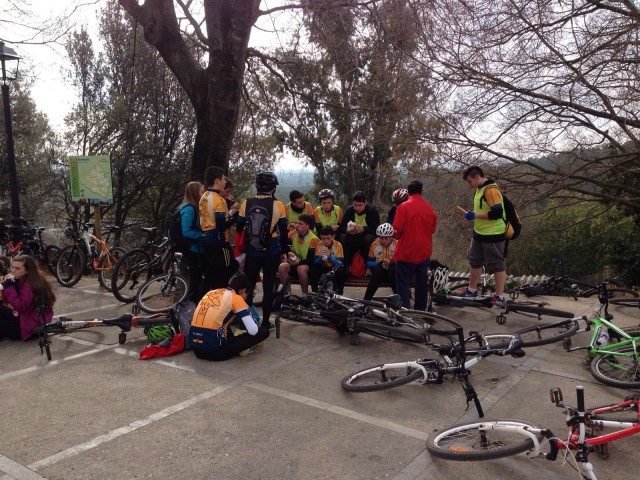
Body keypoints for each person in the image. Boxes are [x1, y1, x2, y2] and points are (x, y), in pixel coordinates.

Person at [237, 171, 288, 328]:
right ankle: (266, 323)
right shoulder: (278, 205)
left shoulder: (247, 202)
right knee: (268, 285)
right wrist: (284, 252)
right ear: (273, 188)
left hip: (253, 250)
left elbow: (239, 226)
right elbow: (284, 231)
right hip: (272, 250)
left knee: (249, 285)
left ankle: (247, 322)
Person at [189, 273, 270, 361]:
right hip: (214, 352)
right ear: (242, 290)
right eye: (247, 294)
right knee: (264, 331)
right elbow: (253, 331)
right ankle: (243, 348)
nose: (246, 298)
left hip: (196, 350)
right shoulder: (236, 298)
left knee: (224, 323)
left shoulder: (211, 292)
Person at [460, 165, 508, 302]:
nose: (469, 185)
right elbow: (482, 209)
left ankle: (499, 296)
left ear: (477, 177)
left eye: (470, 181)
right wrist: (473, 215)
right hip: (479, 232)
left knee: (497, 264)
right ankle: (471, 290)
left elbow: (497, 213)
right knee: (474, 261)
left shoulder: (491, 190)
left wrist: (475, 215)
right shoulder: (479, 189)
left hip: (493, 234)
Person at [391, 180, 437, 310]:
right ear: (421, 191)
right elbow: (432, 229)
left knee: (403, 283)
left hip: (407, 252)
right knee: (421, 283)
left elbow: (397, 230)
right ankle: (420, 310)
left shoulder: (404, 207)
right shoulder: (429, 208)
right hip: (424, 252)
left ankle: (405, 310)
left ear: (409, 192)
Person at [199, 166, 238, 291]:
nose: (225, 182)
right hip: (219, 243)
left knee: (210, 276)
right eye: (223, 179)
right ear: (217, 181)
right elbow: (221, 226)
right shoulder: (219, 200)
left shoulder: (204, 196)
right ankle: (221, 302)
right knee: (227, 270)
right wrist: (235, 218)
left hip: (205, 241)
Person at [0, 255, 56, 341]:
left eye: (17, 269)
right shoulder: (21, 279)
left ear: (27, 270)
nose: (13, 271)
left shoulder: (30, 285)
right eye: (12, 267)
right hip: (24, 318)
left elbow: (21, 307)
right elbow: (6, 300)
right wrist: (7, 284)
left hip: (28, 328)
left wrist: (8, 287)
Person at [278, 214, 319, 300]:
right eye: (297, 223)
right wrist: (286, 230)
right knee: (282, 267)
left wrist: (298, 262)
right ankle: (288, 294)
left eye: (300, 224)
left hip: (308, 265)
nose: (296, 225)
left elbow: (311, 260)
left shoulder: (313, 239)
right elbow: (281, 242)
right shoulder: (293, 233)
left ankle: (304, 295)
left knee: (301, 268)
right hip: (295, 263)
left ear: (307, 226)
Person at [338, 190, 380, 268]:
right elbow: (342, 226)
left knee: (368, 239)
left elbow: (376, 229)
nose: (357, 208)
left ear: (365, 203)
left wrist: (364, 229)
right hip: (352, 236)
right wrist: (347, 231)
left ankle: (366, 265)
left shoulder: (373, 211)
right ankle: (347, 264)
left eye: (360, 205)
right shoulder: (349, 210)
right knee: (342, 237)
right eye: (355, 205)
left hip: (367, 236)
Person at [180, 181, 205, 302]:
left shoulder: (195, 208)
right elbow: (186, 232)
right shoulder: (189, 209)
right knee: (195, 281)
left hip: (198, 249)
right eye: (201, 191)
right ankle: (191, 306)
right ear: (195, 193)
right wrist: (202, 235)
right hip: (193, 250)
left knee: (198, 279)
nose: (203, 193)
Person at [363, 223, 398, 301]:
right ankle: (366, 301)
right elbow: (369, 262)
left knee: (393, 270)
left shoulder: (397, 244)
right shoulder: (374, 245)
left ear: (391, 237)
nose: (384, 241)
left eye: (386, 238)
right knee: (377, 271)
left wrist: (392, 263)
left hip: (393, 273)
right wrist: (379, 263)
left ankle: (398, 300)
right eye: (381, 238)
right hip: (379, 273)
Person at [310, 226, 346, 294]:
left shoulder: (338, 245)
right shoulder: (319, 244)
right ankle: (314, 292)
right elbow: (315, 261)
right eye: (323, 238)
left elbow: (340, 263)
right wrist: (321, 258)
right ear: (320, 236)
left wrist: (330, 256)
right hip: (323, 266)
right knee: (313, 271)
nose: (325, 241)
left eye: (328, 238)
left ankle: (340, 292)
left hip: (333, 267)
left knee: (341, 271)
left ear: (333, 236)